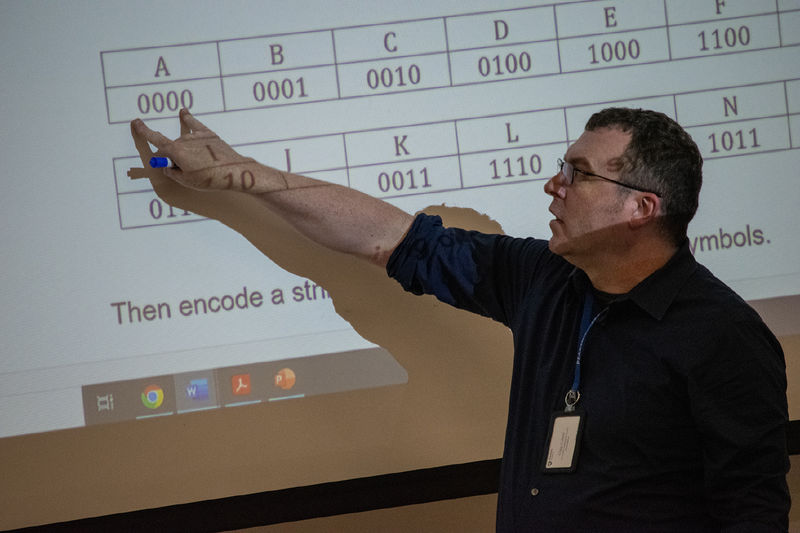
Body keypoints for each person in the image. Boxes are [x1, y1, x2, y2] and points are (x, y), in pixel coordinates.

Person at [131, 107, 790, 531]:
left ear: (640, 208)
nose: (553, 186)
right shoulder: (544, 278)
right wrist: (243, 175)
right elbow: (387, 236)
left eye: (578, 174)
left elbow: (752, 512)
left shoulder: (723, 337)